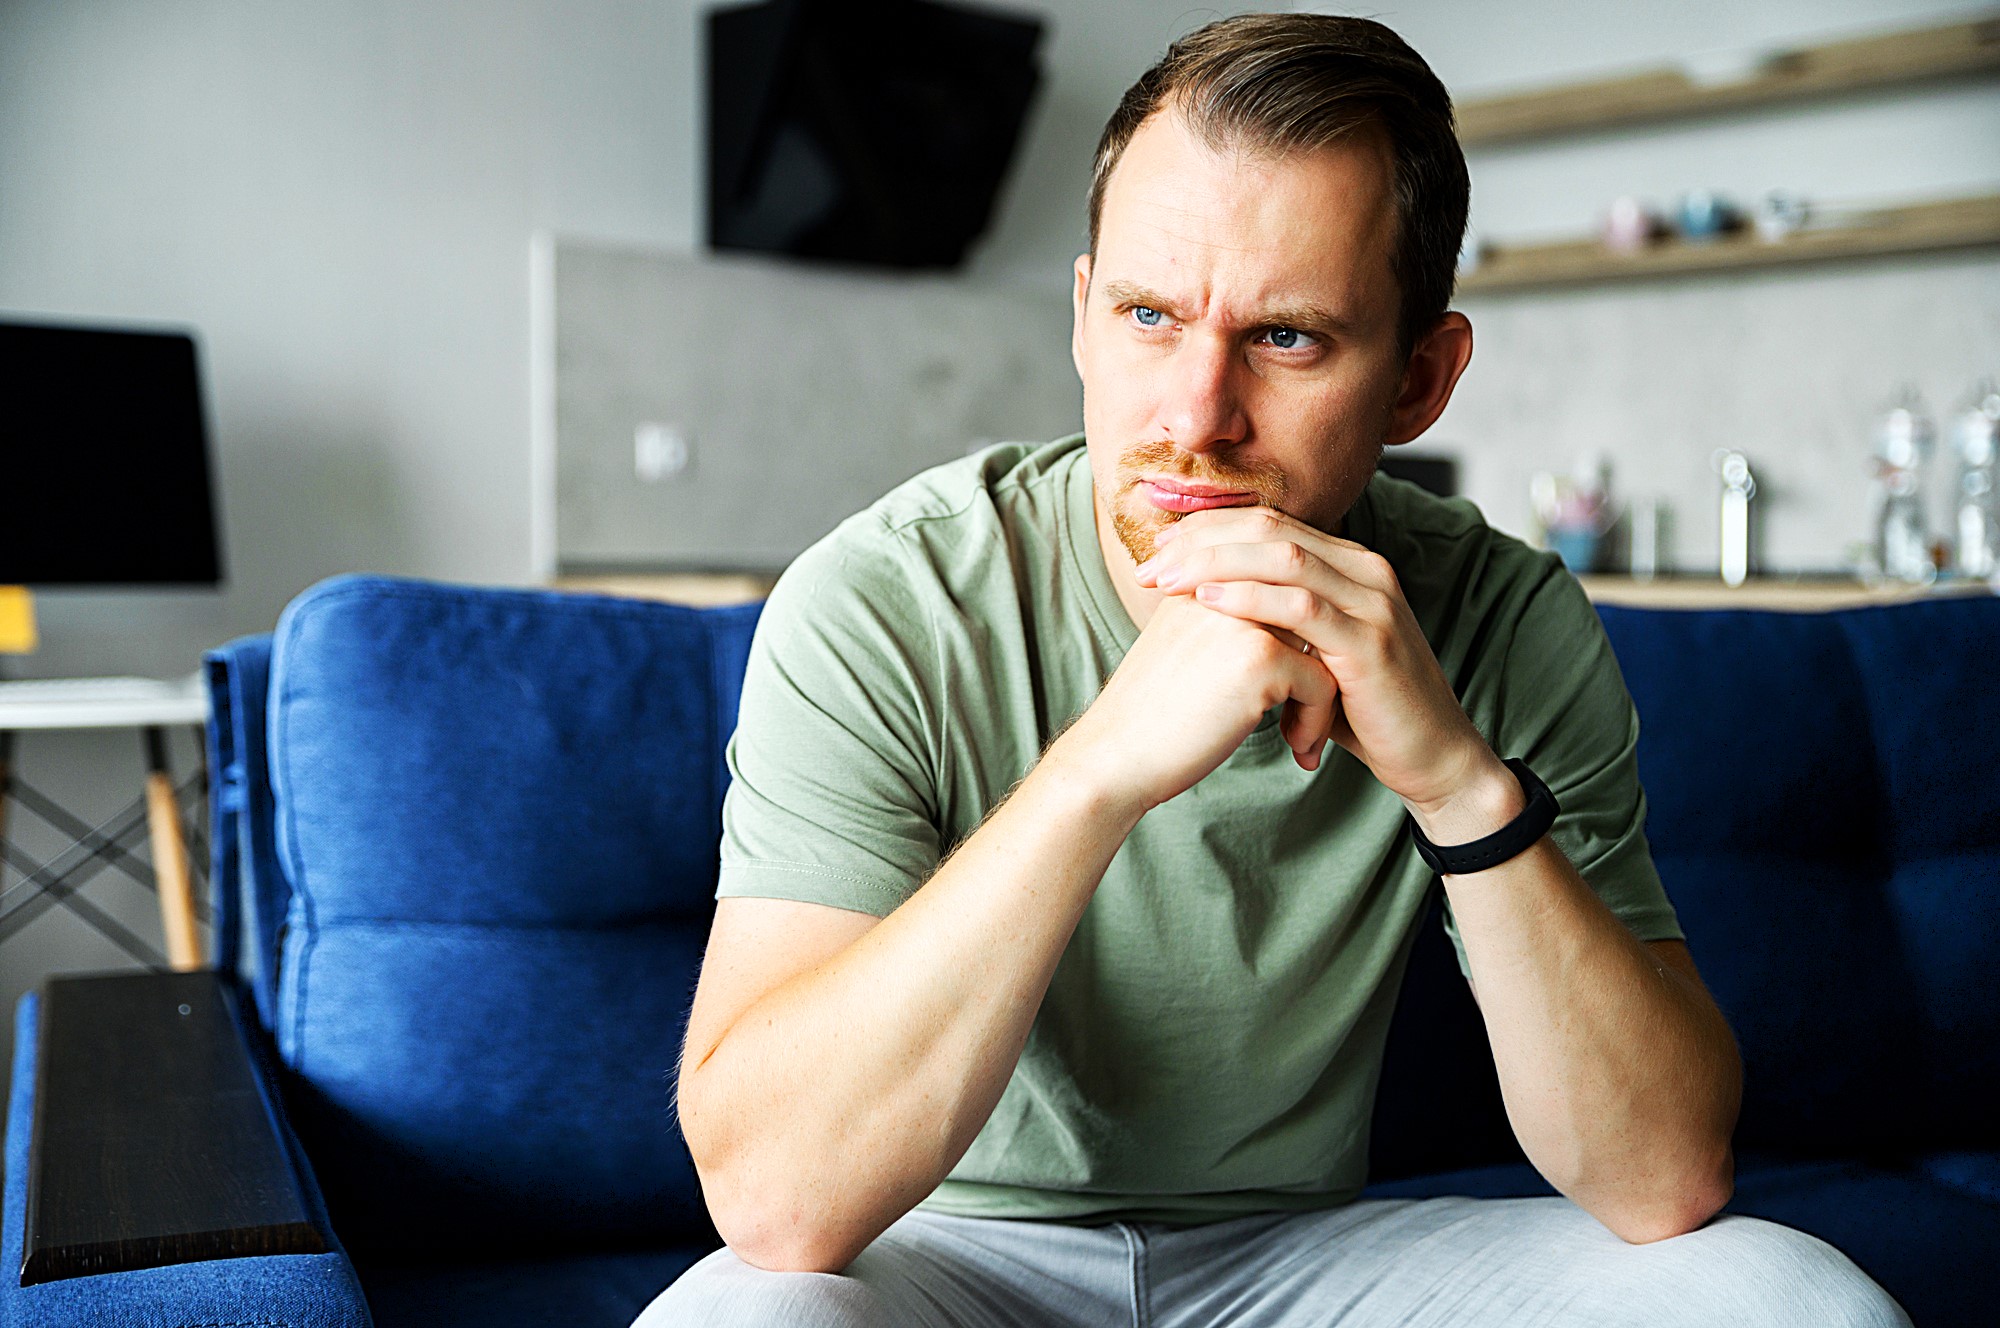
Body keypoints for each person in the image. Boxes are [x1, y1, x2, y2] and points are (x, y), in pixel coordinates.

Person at [635, 14, 1910, 1326]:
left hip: (1307, 1261)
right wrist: (1102, 770)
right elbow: (779, 1206)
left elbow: (1663, 1181)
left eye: (1287, 338)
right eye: (1148, 315)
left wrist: (1461, 787)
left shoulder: (1500, 615)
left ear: (1420, 379)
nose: (1195, 415)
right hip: (943, 1257)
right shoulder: (885, 602)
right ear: (1081, 318)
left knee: (1790, 1297)